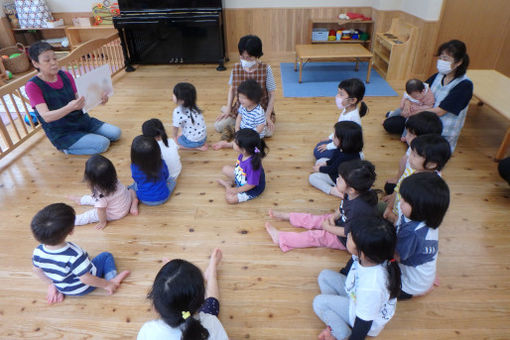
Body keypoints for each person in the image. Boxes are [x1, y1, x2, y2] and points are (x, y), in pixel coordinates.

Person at [313, 215, 400, 340]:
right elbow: (350, 269)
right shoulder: (371, 256)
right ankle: (337, 319)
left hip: (363, 321)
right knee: (325, 276)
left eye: (349, 236)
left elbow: (364, 324)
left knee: (319, 303)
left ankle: (341, 332)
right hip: (357, 298)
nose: (347, 235)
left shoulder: (372, 286)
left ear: (362, 252)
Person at [26, 41, 121, 155]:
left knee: (116, 133)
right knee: (103, 144)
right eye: (47, 60)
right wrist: (69, 108)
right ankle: (67, 148)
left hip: (82, 121)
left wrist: (99, 99)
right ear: (36, 63)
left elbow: (81, 100)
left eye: (55, 59)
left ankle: (85, 137)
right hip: (62, 132)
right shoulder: (33, 86)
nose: (54, 63)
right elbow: (46, 117)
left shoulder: (66, 75)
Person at [265, 160, 378, 252]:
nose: (337, 179)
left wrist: (328, 228)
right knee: (314, 219)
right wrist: (334, 216)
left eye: (340, 179)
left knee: (316, 236)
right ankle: (288, 216)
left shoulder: (358, 209)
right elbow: (343, 206)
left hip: (344, 239)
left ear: (352, 189)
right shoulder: (351, 193)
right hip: (341, 221)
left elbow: (347, 233)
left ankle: (281, 238)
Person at [383, 40, 473, 152]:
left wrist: (414, 112)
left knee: (419, 148)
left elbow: (440, 112)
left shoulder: (465, 85)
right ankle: (412, 134)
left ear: (458, 62)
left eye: (445, 59)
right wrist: (407, 103)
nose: (441, 61)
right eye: (440, 58)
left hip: (440, 127)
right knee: (390, 124)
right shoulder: (439, 75)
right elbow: (416, 90)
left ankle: (416, 138)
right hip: (424, 118)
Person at [31, 203, 130, 304]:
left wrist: (52, 284)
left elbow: (37, 270)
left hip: (63, 287)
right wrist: (107, 284)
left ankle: (57, 287)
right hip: (84, 288)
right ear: (71, 231)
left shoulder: (37, 252)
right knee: (106, 256)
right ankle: (112, 279)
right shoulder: (74, 255)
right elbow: (86, 279)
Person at [137, 248, 228, 340]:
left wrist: (173, 283)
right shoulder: (212, 323)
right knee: (211, 304)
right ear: (202, 302)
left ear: (156, 308)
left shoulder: (148, 331)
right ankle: (211, 272)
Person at [396, 172, 450, 300]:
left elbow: (396, 256)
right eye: (402, 196)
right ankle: (426, 284)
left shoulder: (413, 233)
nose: (400, 201)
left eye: (405, 200)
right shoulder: (428, 218)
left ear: (420, 208)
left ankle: (418, 291)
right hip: (423, 275)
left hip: (409, 285)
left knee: (379, 287)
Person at [214, 35, 276, 137]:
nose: (245, 60)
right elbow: (232, 89)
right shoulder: (236, 68)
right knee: (218, 126)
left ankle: (240, 126)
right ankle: (227, 110)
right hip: (241, 109)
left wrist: (267, 116)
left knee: (268, 133)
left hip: (259, 111)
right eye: (242, 57)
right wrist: (229, 108)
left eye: (249, 57)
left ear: (257, 56)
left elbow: (272, 94)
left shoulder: (266, 69)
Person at [383, 134, 451, 224]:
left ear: (431, 164)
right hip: (395, 211)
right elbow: (398, 188)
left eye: (415, 155)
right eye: (411, 152)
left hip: (402, 222)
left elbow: (415, 218)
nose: (410, 157)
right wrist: (389, 207)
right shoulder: (412, 168)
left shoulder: (430, 188)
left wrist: (395, 218)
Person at [68, 155, 135, 229]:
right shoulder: (114, 180)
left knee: (89, 215)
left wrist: (102, 222)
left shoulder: (101, 196)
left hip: (115, 213)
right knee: (95, 199)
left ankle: (72, 221)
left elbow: (101, 211)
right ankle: (81, 200)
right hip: (124, 203)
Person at [384, 111, 443, 195]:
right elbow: (403, 161)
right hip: (405, 181)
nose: (406, 136)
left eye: (411, 134)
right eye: (407, 132)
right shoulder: (414, 147)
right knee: (389, 187)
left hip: (413, 192)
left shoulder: (428, 164)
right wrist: (398, 178)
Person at [314, 78, 368, 160]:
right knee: (320, 146)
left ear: (353, 100)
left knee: (318, 152)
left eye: (341, 94)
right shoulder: (347, 108)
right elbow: (339, 132)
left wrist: (328, 146)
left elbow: (342, 140)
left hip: (346, 148)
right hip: (341, 141)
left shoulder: (351, 118)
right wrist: (330, 138)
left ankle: (355, 158)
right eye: (338, 93)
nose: (337, 96)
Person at [309, 121, 364, 197]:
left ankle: (333, 190)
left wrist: (320, 169)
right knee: (320, 161)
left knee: (313, 178)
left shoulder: (345, 156)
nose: (332, 138)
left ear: (344, 140)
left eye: (335, 136)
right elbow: (333, 159)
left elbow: (332, 169)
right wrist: (326, 163)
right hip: (339, 171)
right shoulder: (343, 148)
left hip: (340, 179)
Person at [212, 79, 267, 150]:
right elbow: (239, 117)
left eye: (243, 98)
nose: (240, 99)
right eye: (239, 96)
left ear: (253, 99)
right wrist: (237, 129)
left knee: (242, 145)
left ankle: (229, 144)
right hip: (242, 129)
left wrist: (246, 136)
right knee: (228, 128)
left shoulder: (259, 112)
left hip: (252, 135)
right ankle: (224, 140)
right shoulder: (243, 106)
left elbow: (260, 128)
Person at [217, 129, 268, 204]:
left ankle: (228, 186)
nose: (233, 142)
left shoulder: (252, 166)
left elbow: (251, 185)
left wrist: (237, 190)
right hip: (243, 178)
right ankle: (231, 184)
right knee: (225, 169)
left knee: (230, 199)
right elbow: (240, 168)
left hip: (252, 189)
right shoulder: (245, 153)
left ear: (243, 149)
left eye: (235, 142)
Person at [129, 135, 176, 207]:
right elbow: (166, 176)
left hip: (143, 199)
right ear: (157, 151)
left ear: (133, 154)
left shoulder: (134, 167)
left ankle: (134, 200)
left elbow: (136, 179)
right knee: (172, 180)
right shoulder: (161, 163)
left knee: (132, 186)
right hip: (163, 198)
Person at [172, 82, 208, 151]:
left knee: (177, 143)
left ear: (182, 100)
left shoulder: (178, 111)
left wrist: (174, 138)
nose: (172, 95)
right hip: (203, 138)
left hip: (194, 141)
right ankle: (199, 144)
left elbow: (175, 128)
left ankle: (197, 147)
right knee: (182, 134)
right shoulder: (194, 106)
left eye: (174, 94)